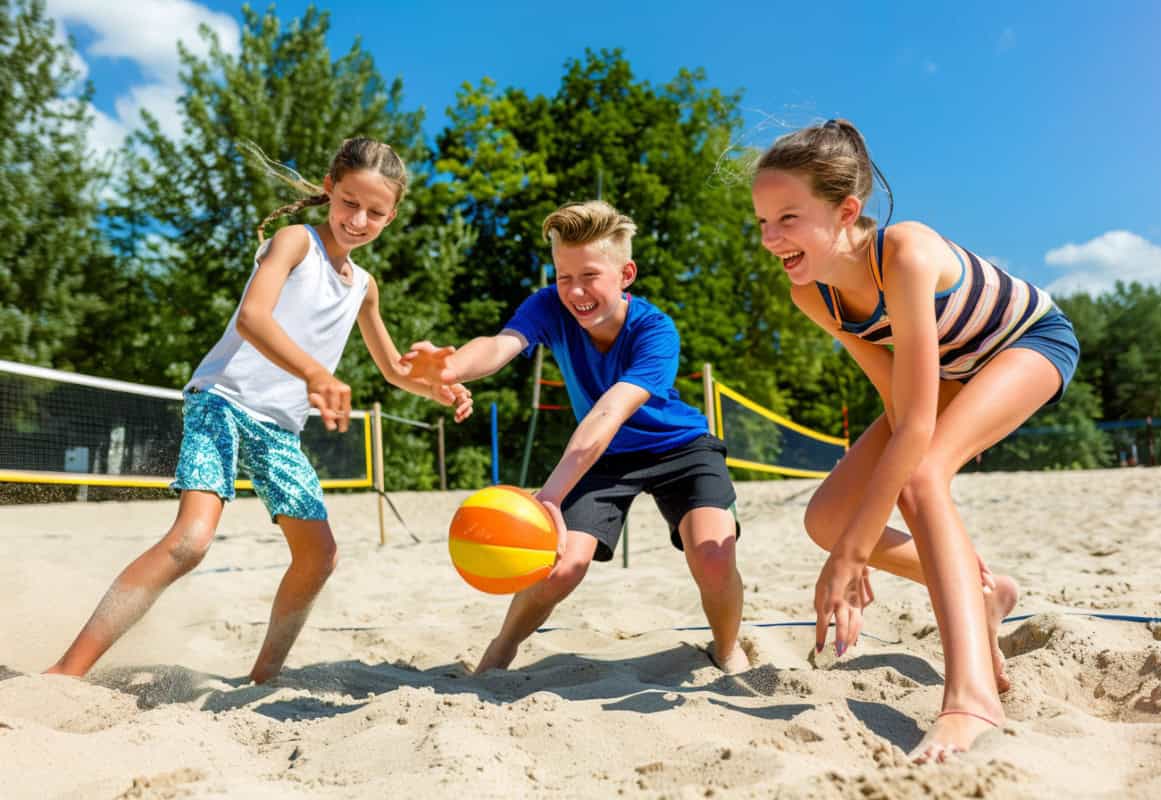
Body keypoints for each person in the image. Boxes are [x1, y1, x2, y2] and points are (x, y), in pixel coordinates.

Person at [47, 137, 472, 684]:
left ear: (391, 217)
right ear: (328, 189)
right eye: (349, 202)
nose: (359, 219)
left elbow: (393, 368)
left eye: (375, 211)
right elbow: (252, 318)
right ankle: (67, 671)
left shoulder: (365, 287)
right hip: (221, 402)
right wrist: (316, 374)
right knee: (189, 543)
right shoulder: (295, 242)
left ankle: (262, 678)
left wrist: (436, 385)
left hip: (279, 431)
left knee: (319, 557)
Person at [751, 119, 1079, 762]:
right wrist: (847, 542)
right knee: (827, 519)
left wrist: (854, 557)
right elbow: (900, 407)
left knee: (921, 479)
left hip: (1027, 345)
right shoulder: (811, 294)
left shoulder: (903, 251)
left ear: (847, 211)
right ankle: (985, 593)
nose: (771, 238)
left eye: (788, 218)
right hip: (953, 377)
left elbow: (920, 432)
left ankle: (972, 699)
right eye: (762, 221)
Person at [402, 200, 750, 675]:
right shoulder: (549, 306)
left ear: (626, 273)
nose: (575, 291)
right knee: (561, 567)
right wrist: (451, 366)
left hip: (680, 450)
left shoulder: (655, 330)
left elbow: (609, 413)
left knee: (713, 558)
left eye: (589, 276)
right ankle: (500, 651)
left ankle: (727, 651)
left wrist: (550, 495)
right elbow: (500, 346)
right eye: (564, 277)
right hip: (606, 460)